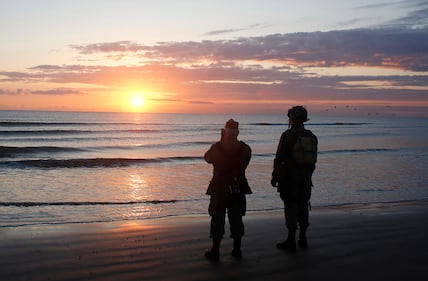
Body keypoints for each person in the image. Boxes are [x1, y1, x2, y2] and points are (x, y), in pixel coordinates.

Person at [271, 106, 318, 252]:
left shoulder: (287, 136)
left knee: (290, 207)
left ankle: (291, 240)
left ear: (291, 119)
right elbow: (313, 160)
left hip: (289, 179)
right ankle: (303, 238)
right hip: (305, 179)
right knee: (303, 206)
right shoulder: (311, 136)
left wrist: (275, 176)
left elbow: (279, 158)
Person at [204, 119, 252, 261]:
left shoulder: (217, 147)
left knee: (217, 217)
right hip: (238, 187)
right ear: (238, 132)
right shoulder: (246, 149)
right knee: (237, 218)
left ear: (224, 131)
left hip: (219, 187)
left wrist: (221, 141)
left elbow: (207, 158)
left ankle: (215, 251)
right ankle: (237, 250)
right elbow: (245, 163)